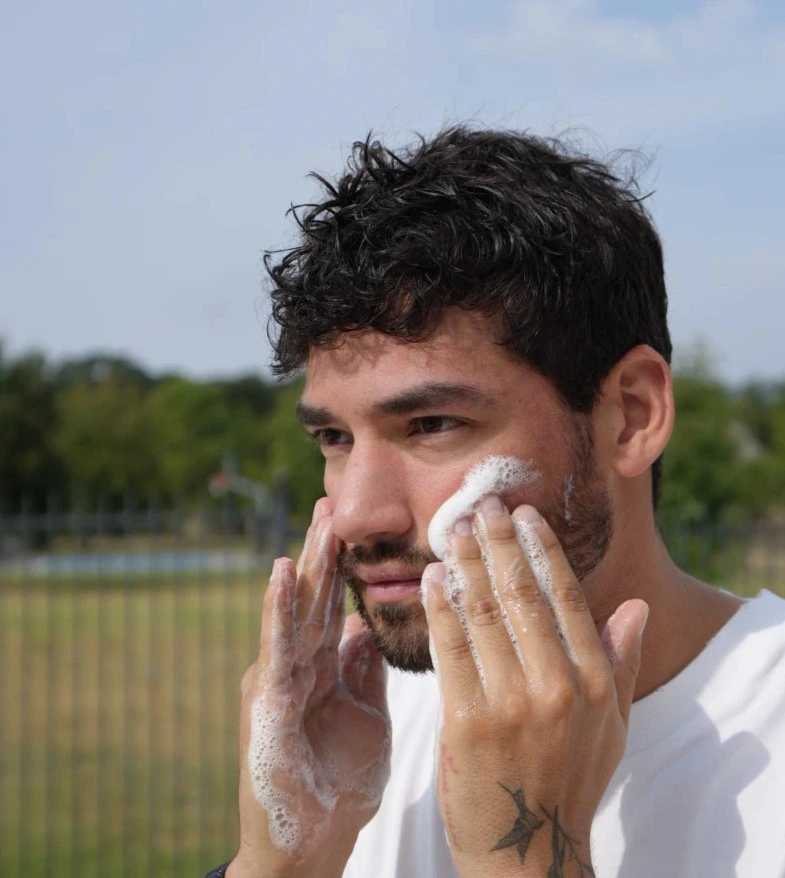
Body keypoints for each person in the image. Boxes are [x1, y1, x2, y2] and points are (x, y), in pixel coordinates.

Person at [206, 127, 785, 878]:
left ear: (632, 416)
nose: (354, 514)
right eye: (334, 438)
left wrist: (524, 856)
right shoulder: (371, 736)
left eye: (431, 425)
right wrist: (285, 859)